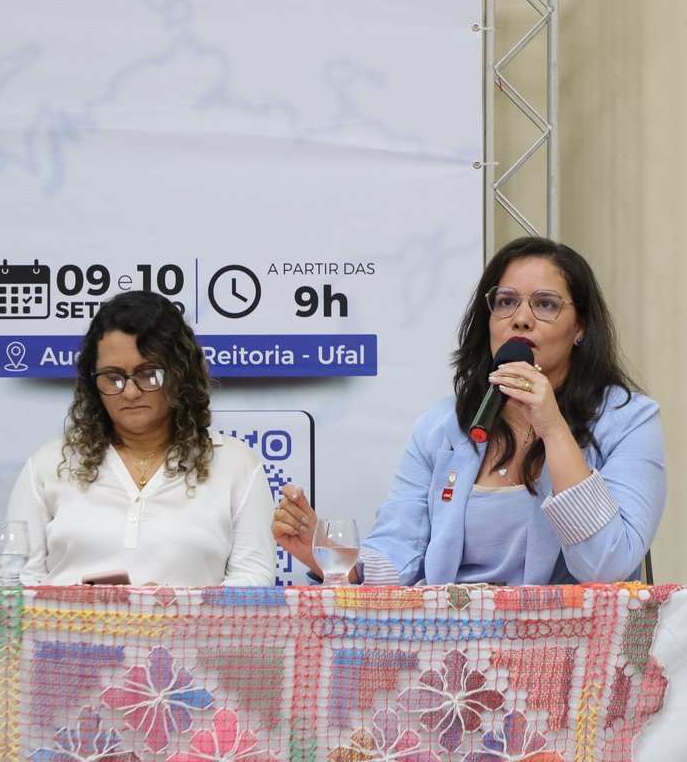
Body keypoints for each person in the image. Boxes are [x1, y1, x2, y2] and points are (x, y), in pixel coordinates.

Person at [274, 236, 667, 585]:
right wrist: (327, 556)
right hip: (450, 635)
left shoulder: (628, 420)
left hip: (567, 639)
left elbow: (608, 567)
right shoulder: (443, 425)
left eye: (545, 304)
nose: (521, 319)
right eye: (506, 302)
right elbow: (399, 550)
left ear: (580, 327)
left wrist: (553, 428)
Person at [6, 291, 277, 586]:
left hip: (189, 619)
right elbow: (16, 581)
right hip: (63, 619)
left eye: (148, 374)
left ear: (179, 374)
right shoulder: (50, 463)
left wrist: (172, 605)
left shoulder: (235, 464)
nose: (130, 392)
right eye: (113, 377)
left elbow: (254, 578)